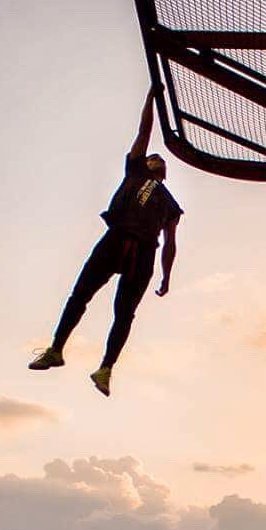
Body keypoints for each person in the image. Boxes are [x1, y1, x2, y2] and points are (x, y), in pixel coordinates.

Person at [29, 88, 183, 396]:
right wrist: (151, 97)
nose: (156, 158)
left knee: (124, 313)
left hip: (143, 254)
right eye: (153, 156)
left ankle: (106, 368)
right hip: (117, 237)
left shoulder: (170, 203)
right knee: (80, 294)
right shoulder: (135, 171)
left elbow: (170, 243)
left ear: (165, 173)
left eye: (159, 159)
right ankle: (56, 349)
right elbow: (144, 130)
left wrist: (167, 276)